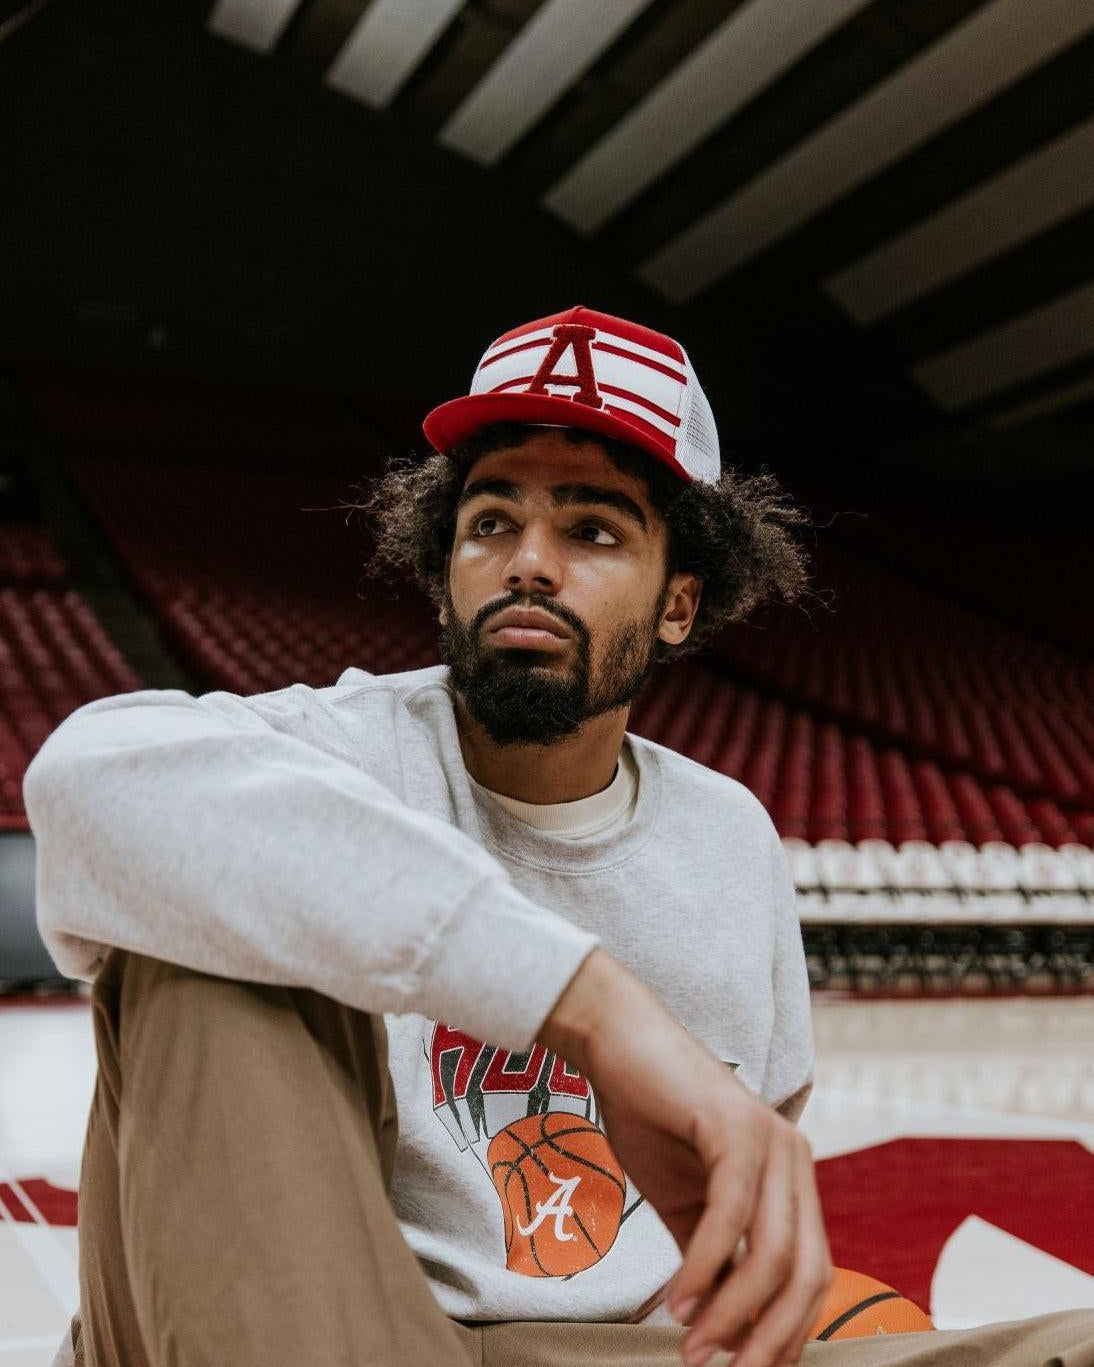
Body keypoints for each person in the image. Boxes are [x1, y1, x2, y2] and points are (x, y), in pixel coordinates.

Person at [23, 306, 1094, 1367]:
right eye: (491, 522)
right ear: (444, 562)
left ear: (678, 604)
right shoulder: (332, 755)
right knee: (215, 924)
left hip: (611, 1351)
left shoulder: (727, 839)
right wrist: (589, 1005)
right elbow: (80, 780)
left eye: (590, 530)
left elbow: (733, 1191)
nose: (527, 562)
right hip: (327, 1321)